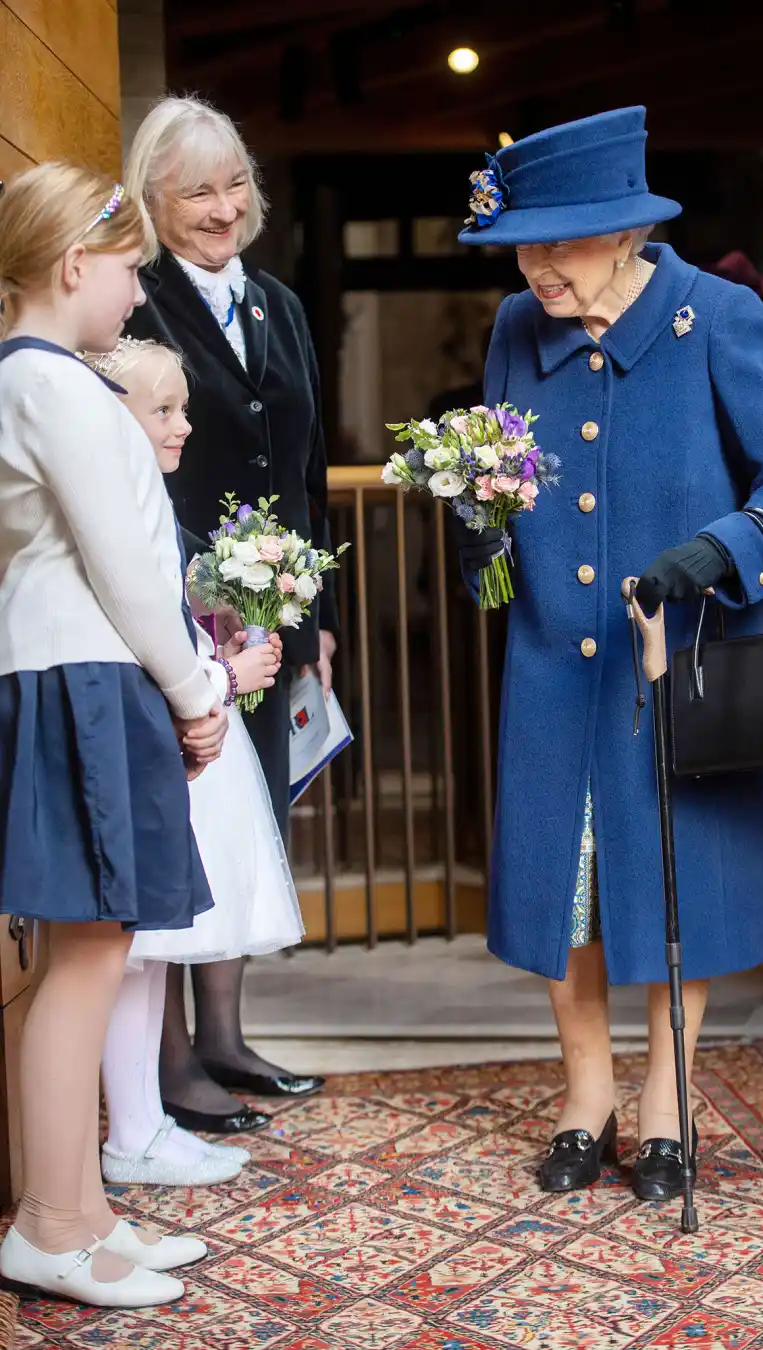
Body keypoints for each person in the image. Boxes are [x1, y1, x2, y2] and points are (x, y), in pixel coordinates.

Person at [456, 107, 763, 1199]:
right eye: (525, 247)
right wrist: (478, 524)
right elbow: (503, 472)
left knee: (676, 893)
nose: (538, 268)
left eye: (561, 244)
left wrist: (711, 557)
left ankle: (668, 1111)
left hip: (676, 667)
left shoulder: (715, 317)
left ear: (627, 235)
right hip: (552, 666)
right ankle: (587, 1104)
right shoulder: (513, 328)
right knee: (565, 893)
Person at [0, 164, 228, 1306]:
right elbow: (129, 568)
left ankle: (82, 1210)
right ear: (72, 264)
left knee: (86, 960)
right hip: (86, 674)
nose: (139, 291)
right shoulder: (49, 385)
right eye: (132, 266)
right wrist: (197, 692)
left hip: (87, 671)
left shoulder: (49, 381)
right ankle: (48, 1224)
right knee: (85, 962)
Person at [123, 94, 333, 1127]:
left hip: (276, 614)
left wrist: (316, 613)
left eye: (235, 183)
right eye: (197, 190)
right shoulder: (133, 302)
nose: (222, 207)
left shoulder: (281, 305)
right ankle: (168, 1067)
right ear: (153, 201)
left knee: (256, 820)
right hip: (177, 610)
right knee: (185, 824)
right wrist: (204, 594)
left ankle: (227, 1039)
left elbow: (306, 465)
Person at [85, 337, 306, 1185]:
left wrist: (228, 631)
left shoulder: (150, 498)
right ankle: (128, 1130)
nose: (184, 425)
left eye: (183, 406)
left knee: (152, 954)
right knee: (131, 954)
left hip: (174, 732)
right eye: (165, 410)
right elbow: (127, 634)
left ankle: (138, 1127)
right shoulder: (115, 506)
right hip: (150, 737)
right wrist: (224, 674)